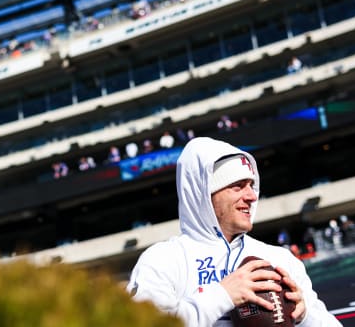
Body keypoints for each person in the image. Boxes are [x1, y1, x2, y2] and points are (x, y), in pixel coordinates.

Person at [127, 137, 341, 326]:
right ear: (204, 194)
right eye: (237, 186)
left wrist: (305, 318)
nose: (251, 196)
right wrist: (222, 296)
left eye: (251, 185)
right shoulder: (163, 260)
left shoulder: (278, 259)